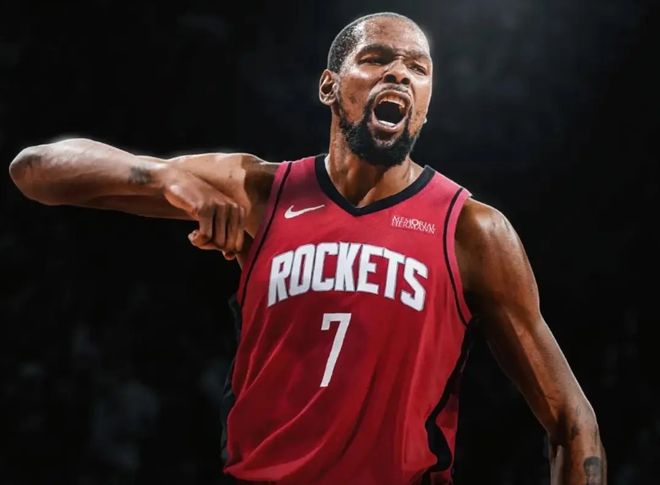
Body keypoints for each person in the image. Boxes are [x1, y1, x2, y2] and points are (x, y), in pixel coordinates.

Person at [8, 11, 605, 485]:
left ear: (425, 105)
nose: (400, 75)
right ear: (329, 86)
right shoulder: (261, 191)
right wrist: (165, 176)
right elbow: (35, 169)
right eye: (376, 59)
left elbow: (572, 420)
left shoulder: (470, 229)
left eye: (418, 69)